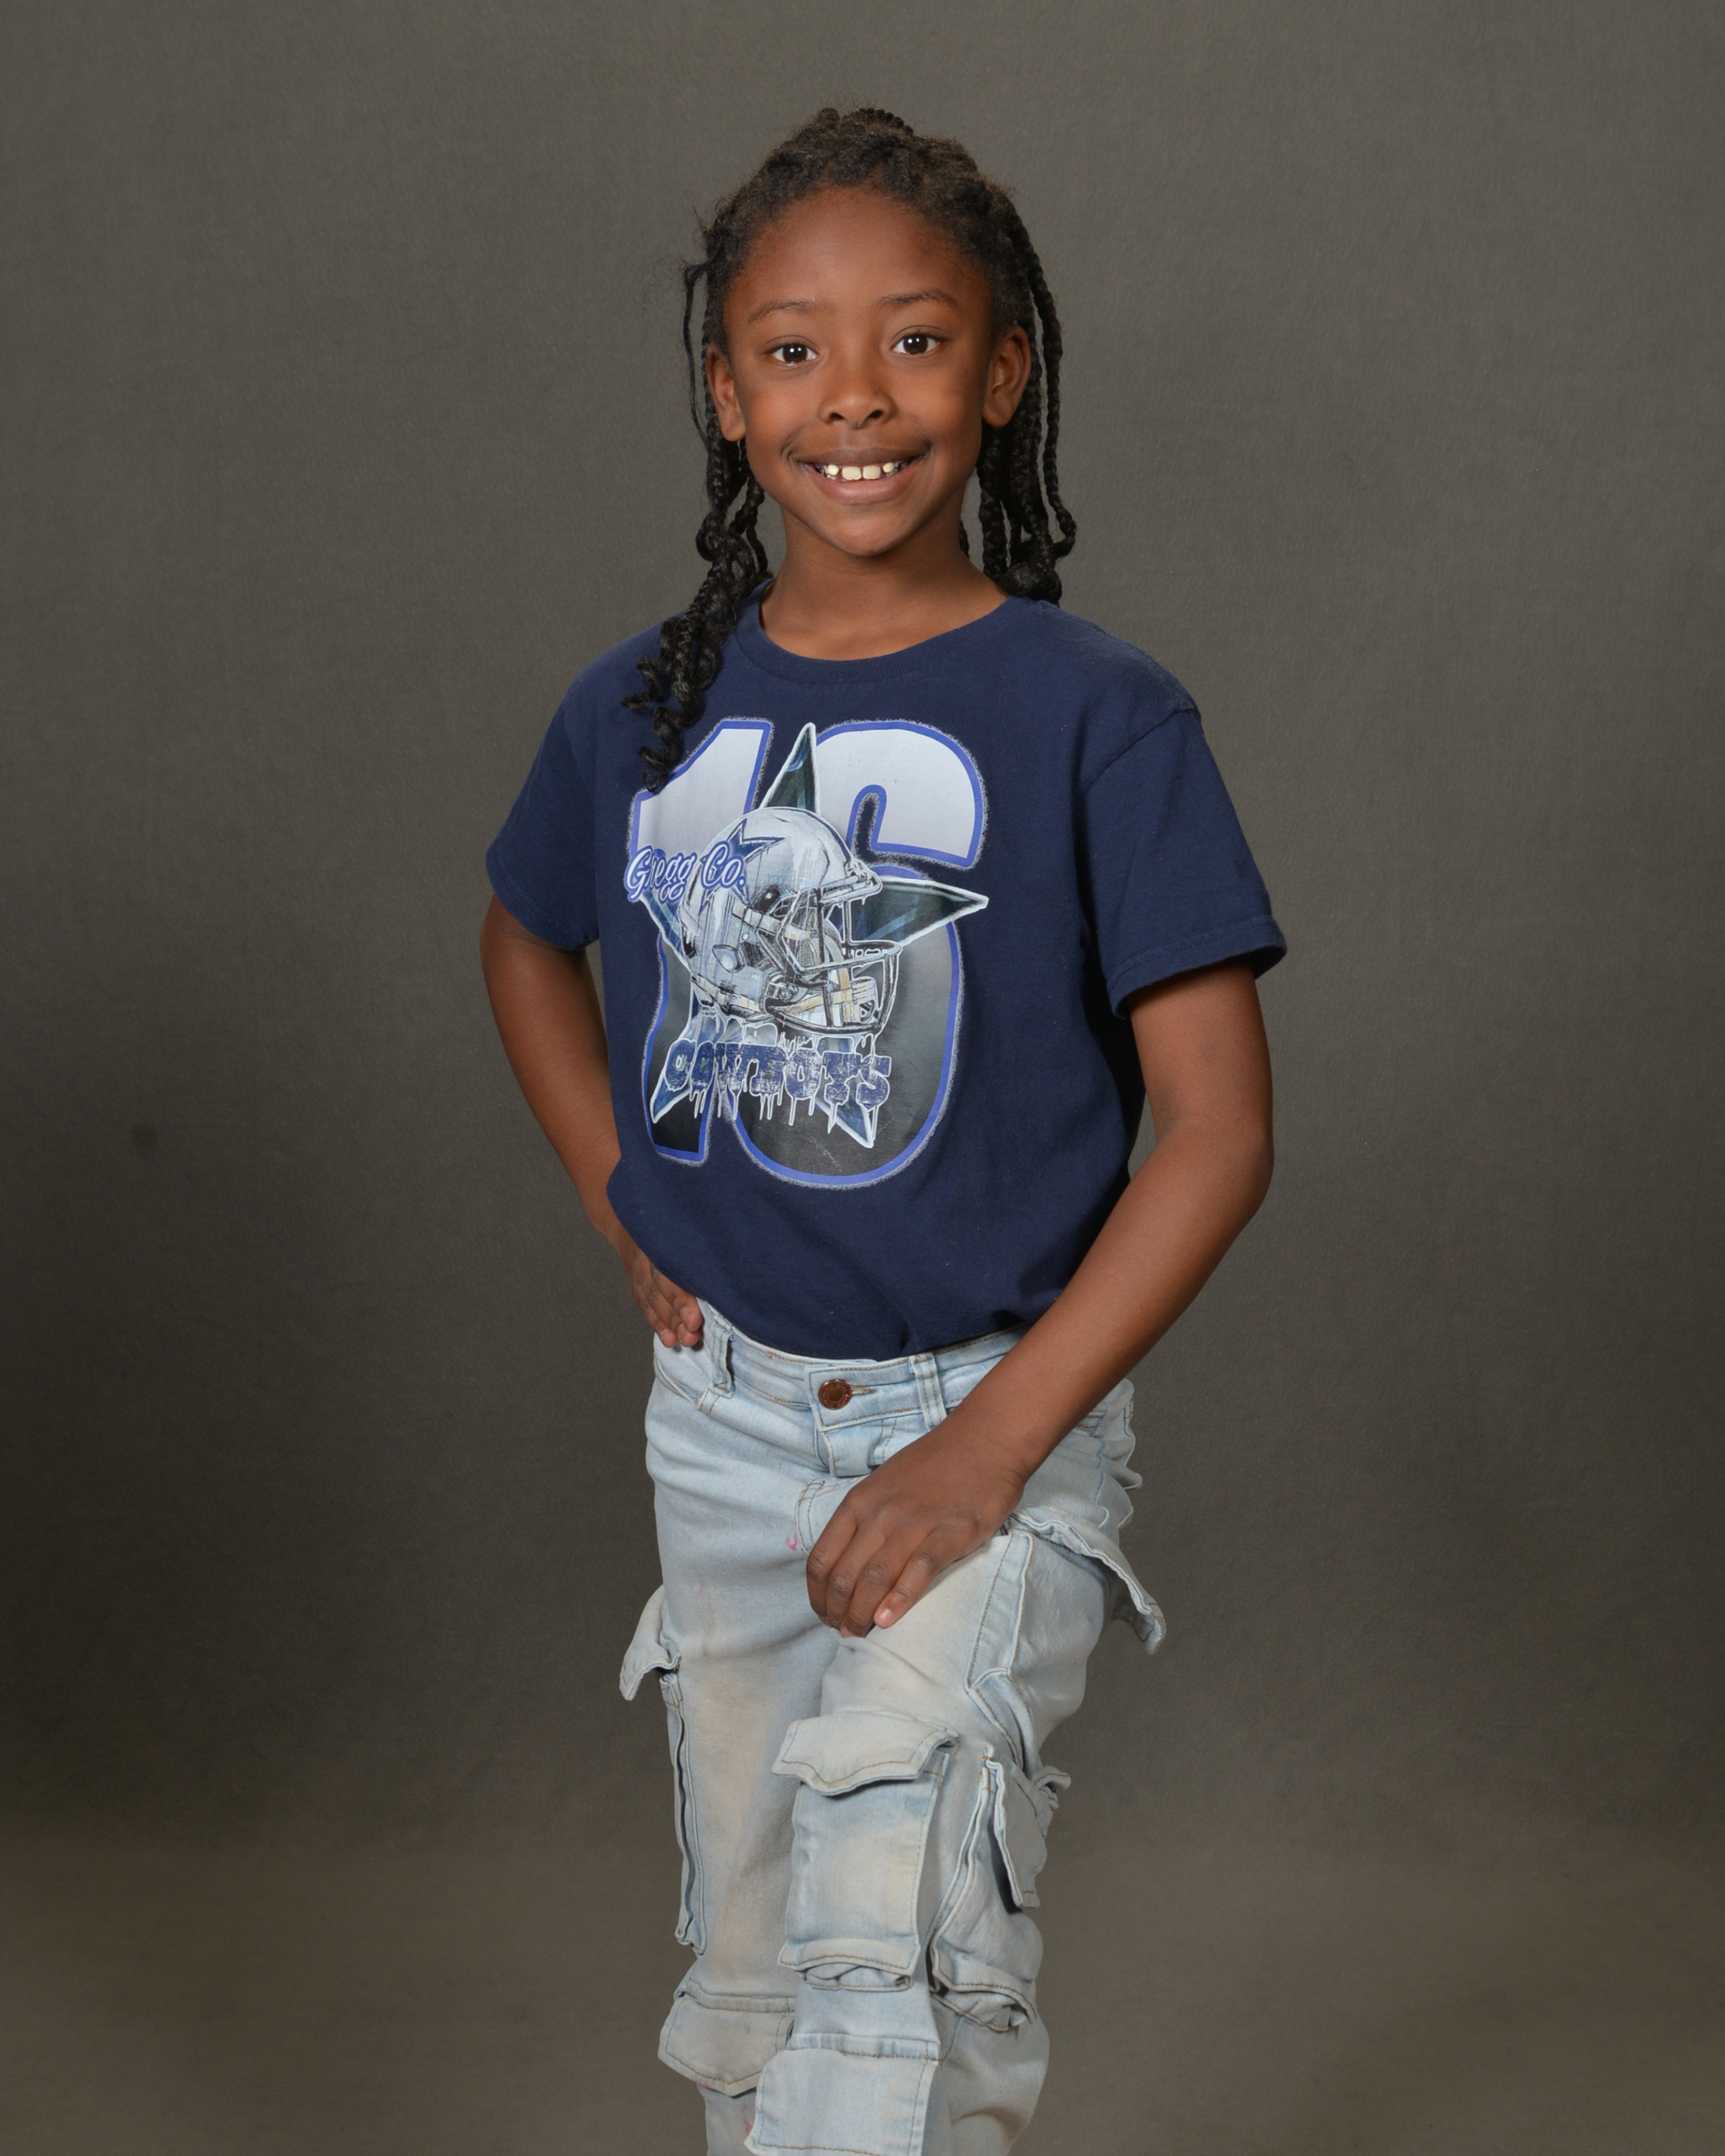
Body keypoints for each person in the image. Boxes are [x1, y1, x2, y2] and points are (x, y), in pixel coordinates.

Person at [479, 107, 1284, 2156]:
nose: (854, 395)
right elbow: (525, 940)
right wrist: (624, 1193)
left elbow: (1216, 1133)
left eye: (915, 341)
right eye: (793, 349)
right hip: (724, 1428)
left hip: (998, 1415)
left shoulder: (1102, 713)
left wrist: (984, 1451)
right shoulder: (638, 709)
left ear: (1004, 374)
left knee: (900, 1960)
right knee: (762, 1985)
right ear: (723, 391)